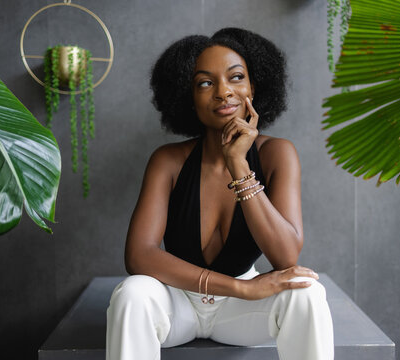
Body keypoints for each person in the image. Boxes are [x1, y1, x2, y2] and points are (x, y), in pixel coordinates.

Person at [106, 27, 334, 360]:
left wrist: (238, 163)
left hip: (242, 313)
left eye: (236, 78)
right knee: (131, 294)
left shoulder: (277, 154)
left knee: (307, 292)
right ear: (189, 96)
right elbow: (138, 256)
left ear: (253, 88)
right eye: (205, 83)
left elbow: (285, 256)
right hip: (177, 304)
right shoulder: (168, 160)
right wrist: (241, 287)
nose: (223, 92)